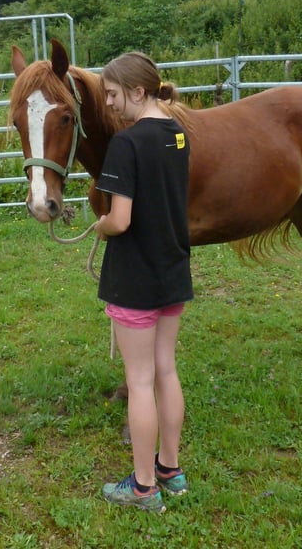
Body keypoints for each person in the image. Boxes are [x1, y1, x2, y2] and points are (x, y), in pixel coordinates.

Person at [94, 51, 193, 513]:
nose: (109, 104)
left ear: (137, 91)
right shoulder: (178, 135)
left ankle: (143, 487)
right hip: (172, 271)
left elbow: (121, 220)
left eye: (113, 94)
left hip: (134, 278)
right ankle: (169, 469)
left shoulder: (125, 144)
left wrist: (101, 226)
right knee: (165, 370)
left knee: (139, 381)